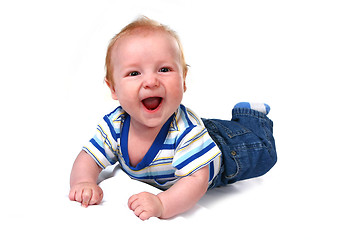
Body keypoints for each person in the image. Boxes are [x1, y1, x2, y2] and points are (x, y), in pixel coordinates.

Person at [69, 16, 277, 220]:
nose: (151, 81)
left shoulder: (186, 131)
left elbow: (196, 179)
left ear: (183, 80)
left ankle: (252, 116)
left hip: (225, 150)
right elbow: (89, 156)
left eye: (164, 69)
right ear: (113, 88)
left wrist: (162, 204)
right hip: (195, 138)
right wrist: (83, 181)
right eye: (134, 73)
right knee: (206, 130)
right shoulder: (116, 124)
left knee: (263, 152)